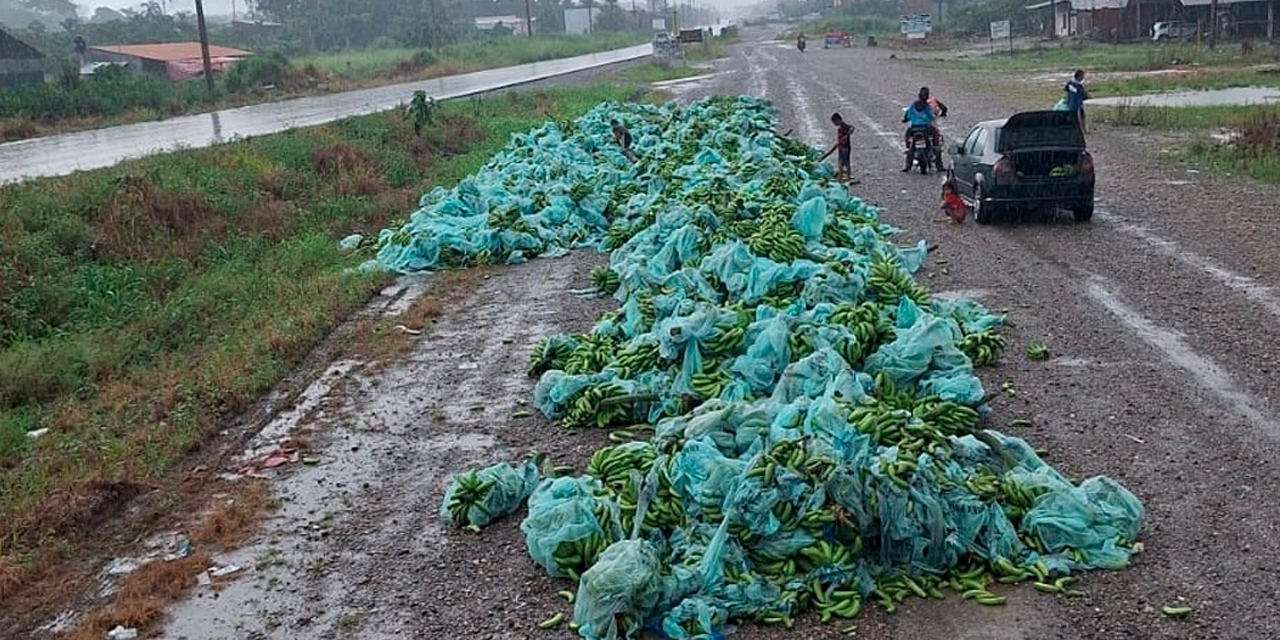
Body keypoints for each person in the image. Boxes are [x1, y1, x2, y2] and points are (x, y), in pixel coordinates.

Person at [901, 87, 936, 172]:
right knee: (932, 138)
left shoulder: (913, 105)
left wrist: (905, 119)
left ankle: (907, 166)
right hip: (925, 128)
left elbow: (908, 115)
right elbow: (931, 116)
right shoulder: (927, 106)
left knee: (910, 147)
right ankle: (934, 158)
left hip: (914, 129)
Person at [825, 113, 856, 183]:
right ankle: (841, 178)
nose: (834, 124)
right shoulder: (840, 129)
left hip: (845, 148)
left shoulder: (844, 126)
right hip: (841, 148)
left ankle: (846, 178)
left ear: (838, 120)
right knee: (841, 164)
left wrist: (847, 136)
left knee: (845, 164)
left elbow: (852, 128)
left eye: (834, 122)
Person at [1064, 69, 1088, 134]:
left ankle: (1080, 130)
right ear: (1079, 76)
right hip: (1077, 104)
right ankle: (1082, 130)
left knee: (1075, 117)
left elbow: (1066, 89)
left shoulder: (1069, 83)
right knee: (1080, 117)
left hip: (1070, 102)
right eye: (1082, 76)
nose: (1083, 78)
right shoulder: (1079, 86)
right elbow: (1084, 96)